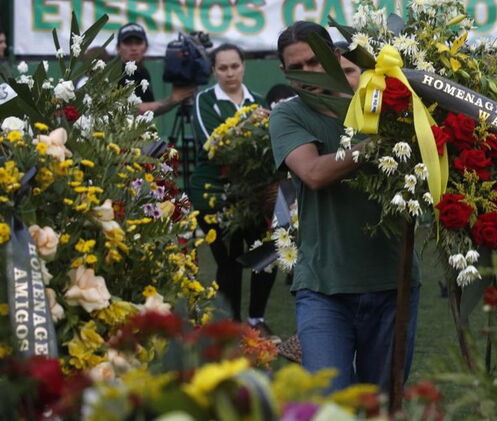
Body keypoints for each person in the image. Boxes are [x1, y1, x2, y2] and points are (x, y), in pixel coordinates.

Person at [269, 21, 419, 390]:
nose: (306, 73)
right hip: (324, 286)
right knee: (329, 405)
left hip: (393, 282)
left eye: (313, 61)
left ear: (335, 57)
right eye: (296, 68)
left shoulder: (382, 102)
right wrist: (382, 141)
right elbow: (314, 173)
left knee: (381, 405)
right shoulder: (288, 115)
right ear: (282, 71)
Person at [191, 43, 278, 337]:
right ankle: (232, 325)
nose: (230, 73)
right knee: (228, 260)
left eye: (235, 66)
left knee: (267, 255)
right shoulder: (204, 101)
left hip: (256, 193)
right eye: (223, 68)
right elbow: (213, 145)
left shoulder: (259, 100)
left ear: (244, 66)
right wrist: (250, 124)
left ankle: (256, 320)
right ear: (214, 70)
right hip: (214, 192)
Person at [115, 23, 195, 115]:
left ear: (146, 47)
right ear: (118, 47)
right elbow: (128, 109)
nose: (134, 48)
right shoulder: (114, 72)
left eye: (138, 42)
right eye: (128, 43)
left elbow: (149, 113)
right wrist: (171, 100)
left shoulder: (143, 72)